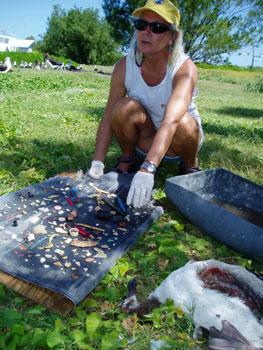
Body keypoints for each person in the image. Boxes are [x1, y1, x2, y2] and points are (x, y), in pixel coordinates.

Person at [87, 0, 204, 208]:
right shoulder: (125, 65)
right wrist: (97, 164)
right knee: (123, 107)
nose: (146, 32)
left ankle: (190, 166)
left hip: (179, 140)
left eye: (157, 28)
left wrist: (149, 168)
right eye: (141, 25)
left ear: (172, 37)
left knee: (185, 122)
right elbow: (108, 116)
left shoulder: (185, 68)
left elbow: (171, 122)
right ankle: (128, 160)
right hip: (147, 138)